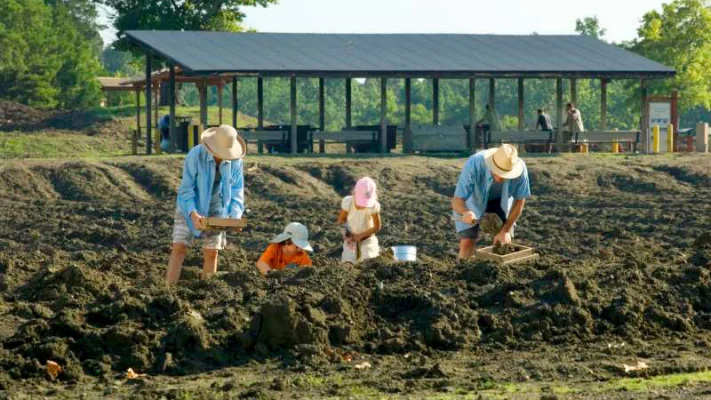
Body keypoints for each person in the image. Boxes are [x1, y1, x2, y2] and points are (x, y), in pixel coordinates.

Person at [165, 125, 246, 284]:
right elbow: (186, 190)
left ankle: (208, 293)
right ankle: (168, 290)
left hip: (217, 208)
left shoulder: (236, 162)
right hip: (190, 205)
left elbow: (237, 190)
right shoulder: (195, 155)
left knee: (211, 252)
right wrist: (193, 214)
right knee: (179, 247)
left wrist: (235, 217)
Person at [451, 144, 531, 260]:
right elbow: (457, 199)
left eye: (505, 174)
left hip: (501, 201)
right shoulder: (475, 163)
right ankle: (462, 270)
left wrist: (505, 230)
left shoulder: (521, 170)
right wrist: (465, 212)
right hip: (473, 200)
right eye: (497, 172)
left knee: (503, 242)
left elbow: (519, 201)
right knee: (467, 241)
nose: (499, 179)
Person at [337, 177, 382, 265]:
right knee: (348, 263)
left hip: (367, 240)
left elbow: (377, 227)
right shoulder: (348, 202)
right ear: (354, 193)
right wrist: (345, 233)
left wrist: (361, 235)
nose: (362, 206)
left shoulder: (373, 206)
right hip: (351, 240)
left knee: (369, 262)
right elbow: (341, 220)